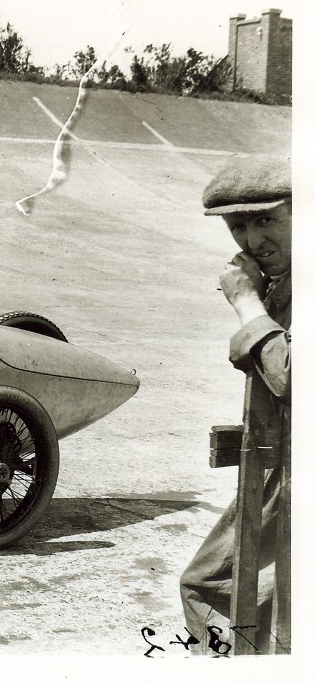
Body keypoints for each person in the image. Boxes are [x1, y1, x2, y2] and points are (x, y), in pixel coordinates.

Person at [179, 155, 291, 654]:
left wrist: (248, 307)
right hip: (281, 472)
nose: (251, 242)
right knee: (227, 588)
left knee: (215, 588)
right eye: (237, 226)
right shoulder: (283, 282)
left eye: (268, 220)